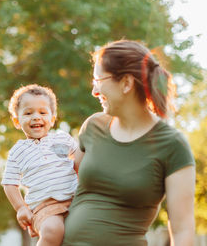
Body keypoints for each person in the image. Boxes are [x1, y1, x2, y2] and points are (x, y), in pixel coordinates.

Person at [62, 40, 196, 246]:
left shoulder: (172, 145)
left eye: (99, 80)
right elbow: (65, 187)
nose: (94, 91)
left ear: (126, 83)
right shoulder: (93, 126)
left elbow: (183, 230)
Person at [1, 84, 79, 246]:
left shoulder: (62, 139)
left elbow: (80, 159)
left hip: (76, 198)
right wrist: (21, 208)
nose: (36, 117)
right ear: (17, 121)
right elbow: (9, 184)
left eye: (42, 113)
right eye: (28, 113)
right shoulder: (18, 151)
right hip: (44, 206)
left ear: (52, 118)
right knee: (53, 231)